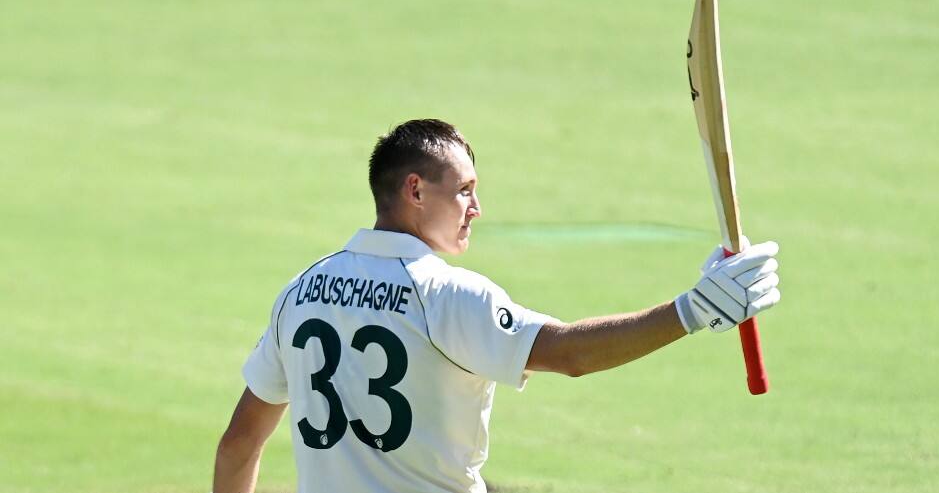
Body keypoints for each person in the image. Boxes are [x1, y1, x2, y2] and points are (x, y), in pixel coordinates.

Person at [211, 119, 781, 493]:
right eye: (464, 190)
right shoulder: (445, 295)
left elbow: (240, 444)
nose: (476, 207)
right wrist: (693, 309)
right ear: (415, 191)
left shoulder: (301, 292)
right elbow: (570, 353)